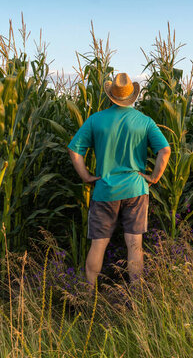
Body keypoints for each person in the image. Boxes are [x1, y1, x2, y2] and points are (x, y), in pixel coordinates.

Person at [67, 72, 171, 287]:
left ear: (111, 95)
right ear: (131, 96)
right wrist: (153, 177)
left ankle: (88, 300)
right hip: (135, 189)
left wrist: (86, 176)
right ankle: (138, 301)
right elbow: (165, 150)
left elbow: (74, 150)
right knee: (134, 245)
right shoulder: (144, 121)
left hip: (105, 190)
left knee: (98, 245)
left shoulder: (96, 120)